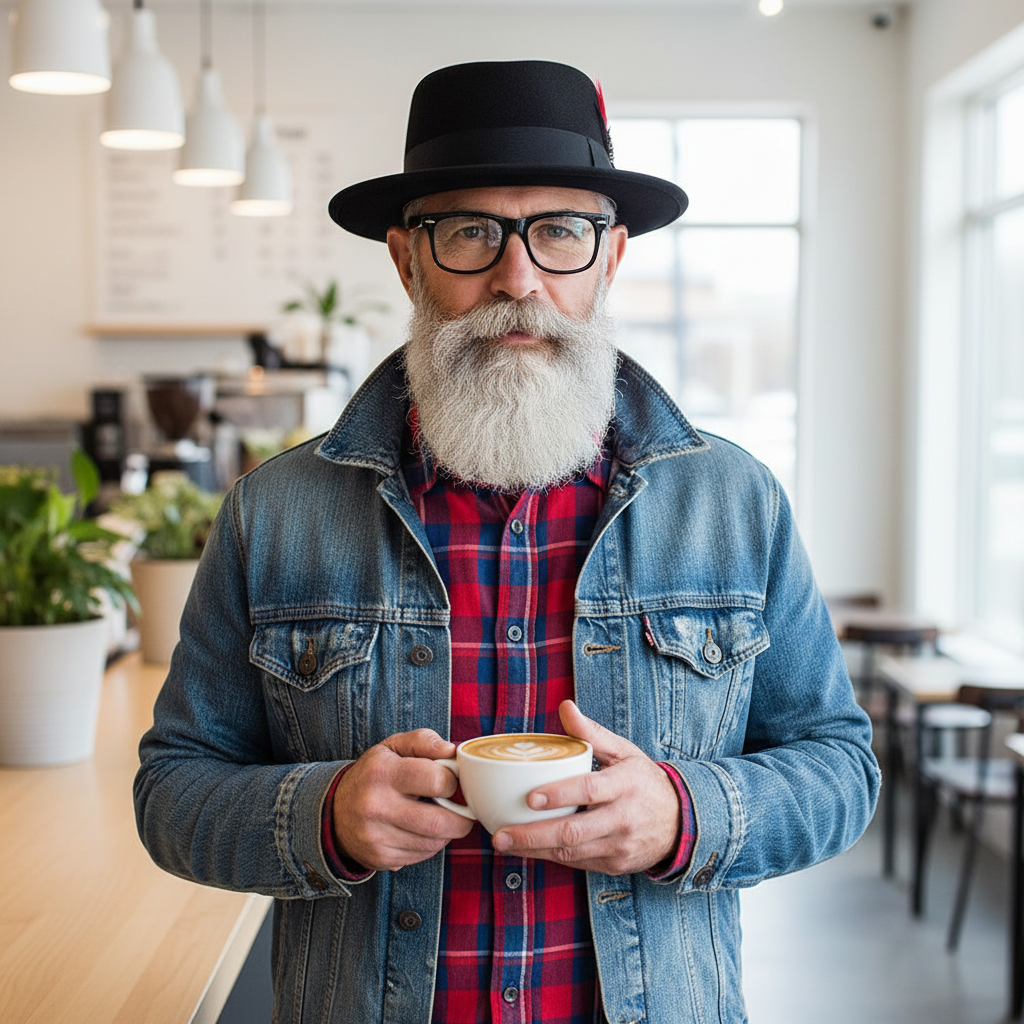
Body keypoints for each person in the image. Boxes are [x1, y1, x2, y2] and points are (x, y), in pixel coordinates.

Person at [135, 60, 880, 1024]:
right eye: (470, 232)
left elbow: (840, 767)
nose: (517, 279)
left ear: (611, 258)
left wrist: (684, 813)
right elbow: (173, 792)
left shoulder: (735, 503)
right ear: (407, 260)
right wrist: (323, 814)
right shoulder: (272, 513)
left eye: (561, 231)